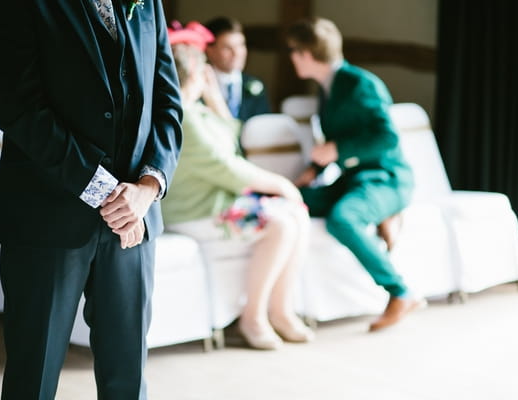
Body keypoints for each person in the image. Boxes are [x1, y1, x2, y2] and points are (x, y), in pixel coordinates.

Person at [0, 0, 182, 398]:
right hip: (47, 217)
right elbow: (21, 108)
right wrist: (106, 192)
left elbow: (168, 104)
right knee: (32, 379)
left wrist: (147, 188)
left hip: (133, 220)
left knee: (127, 379)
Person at [162, 22, 313, 350]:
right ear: (195, 72)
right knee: (280, 224)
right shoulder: (182, 116)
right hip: (195, 210)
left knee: (297, 214)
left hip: (216, 201)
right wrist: (280, 184)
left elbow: (231, 139)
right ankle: (253, 317)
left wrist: (215, 101)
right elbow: (225, 165)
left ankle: (281, 310)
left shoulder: (196, 110)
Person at [286, 17, 424, 332]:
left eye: (294, 51)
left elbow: (386, 138)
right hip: (354, 180)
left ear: (307, 53)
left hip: (386, 178)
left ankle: (401, 292)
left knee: (343, 219)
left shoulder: (361, 83)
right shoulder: (326, 88)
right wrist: (313, 169)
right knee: (293, 201)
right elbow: (340, 142)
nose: (291, 57)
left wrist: (337, 150)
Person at [204, 16, 271, 121]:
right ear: (210, 51)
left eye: (241, 45)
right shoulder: (200, 85)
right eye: (227, 47)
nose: (237, 53)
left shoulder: (256, 85)